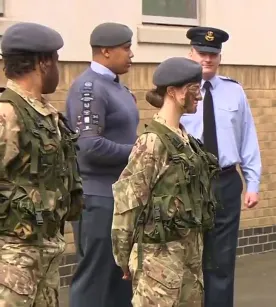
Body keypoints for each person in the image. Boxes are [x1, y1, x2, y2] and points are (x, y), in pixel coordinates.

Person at [111, 56, 219, 307]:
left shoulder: (185, 140)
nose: (199, 97)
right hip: (157, 262)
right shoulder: (152, 143)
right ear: (172, 92)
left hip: (188, 258)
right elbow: (128, 204)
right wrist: (123, 255)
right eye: (193, 90)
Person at [0, 22, 84, 306]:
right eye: (56, 59)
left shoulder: (46, 115)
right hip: (11, 263)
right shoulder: (7, 115)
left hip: (44, 255)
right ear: (43, 63)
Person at [181, 26, 262, 307]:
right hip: (188, 182)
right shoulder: (177, 90)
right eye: (202, 53)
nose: (208, 59)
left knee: (221, 262)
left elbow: (247, 137)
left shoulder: (233, 91)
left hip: (225, 182)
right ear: (190, 53)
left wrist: (252, 183)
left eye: (213, 55)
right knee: (187, 260)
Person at [67, 22, 138, 307]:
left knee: (119, 276)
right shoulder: (89, 88)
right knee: (94, 277)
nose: (131, 54)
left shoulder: (115, 86)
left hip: (119, 196)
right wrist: (139, 152)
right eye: (126, 48)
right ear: (105, 51)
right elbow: (89, 146)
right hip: (98, 197)